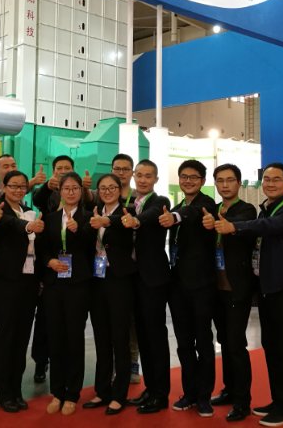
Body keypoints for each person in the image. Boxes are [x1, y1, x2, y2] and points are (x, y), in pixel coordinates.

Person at [214, 162, 283, 427]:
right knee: (271, 347)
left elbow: (267, 227)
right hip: (266, 289)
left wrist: (234, 227)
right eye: (267, 179)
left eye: (277, 179)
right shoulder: (266, 208)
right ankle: (277, 401)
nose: (271, 184)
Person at [158, 159, 218, 418]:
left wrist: (176, 217)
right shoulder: (176, 206)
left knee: (203, 341)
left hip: (202, 286)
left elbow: (191, 214)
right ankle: (189, 393)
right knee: (183, 343)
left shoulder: (207, 205)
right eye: (184, 176)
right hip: (178, 286)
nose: (188, 181)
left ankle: (204, 396)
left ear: (202, 181)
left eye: (193, 177)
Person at [203, 163, 258, 422]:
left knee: (236, 344)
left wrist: (223, 224)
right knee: (224, 340)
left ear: (238, 183)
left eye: (230, 180)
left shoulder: (246, 209)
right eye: (220, 180)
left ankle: (242, 401)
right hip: (215, 287)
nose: (225, 185)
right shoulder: (213, 209)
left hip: (237, 287)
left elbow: (243, 225)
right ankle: (229, 389)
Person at [37, 172, 95, 416]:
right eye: (66, 188)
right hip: (54, 285)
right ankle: (57, 391)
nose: (71, 192)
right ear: (59, 191)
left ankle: (72, 393)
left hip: (78, 285)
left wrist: (78, 231)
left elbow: (92, 249)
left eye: (75, 188)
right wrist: (49, 261)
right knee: (55, 337)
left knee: (74, 338)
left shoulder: (89, 218)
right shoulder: (50, 218)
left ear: (81, 192)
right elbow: (41, 249)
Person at [0, 170, 45, 412]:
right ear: (4, 187)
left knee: (22, 337)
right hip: (7, 282)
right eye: (13, 186)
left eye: (22, 186)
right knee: (6, 336)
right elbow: (9, 224)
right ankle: (4, 392)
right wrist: (28, 226)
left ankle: (16, 389)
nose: (18, 190)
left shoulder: (28, 210)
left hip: (29, 282)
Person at [122, 159, 172, 414]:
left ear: (156, 179)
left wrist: (136, 221)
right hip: (134, 279)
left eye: (148, 176)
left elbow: (151, 217)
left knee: (155, 337)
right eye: (139, 175)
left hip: (154, 280)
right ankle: (150, 389)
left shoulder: (159, 201)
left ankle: (161, 394)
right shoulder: (130, 202)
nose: (142, 179)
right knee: (142, 336)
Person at [83, 173, 135, 415]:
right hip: (97, 279)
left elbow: (124, 230)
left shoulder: (128, 212)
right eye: (102, 187)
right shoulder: (92, 212)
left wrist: (107, 221)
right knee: (101, 338)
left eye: (112, 187)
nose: (107, 191)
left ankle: (119, 394)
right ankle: (102, 390)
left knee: (119, 338)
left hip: (119, 280)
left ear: (119, 189)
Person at [109, 153, 143, 386]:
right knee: (113, 319)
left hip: (135, 268)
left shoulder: (139, 199)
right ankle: (115, 363)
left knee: (132, 319)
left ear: (131, 172)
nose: (121, 173)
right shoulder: (103, 196)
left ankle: (132, 362)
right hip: (109, 269)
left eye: (125, 169)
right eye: (117, 169)